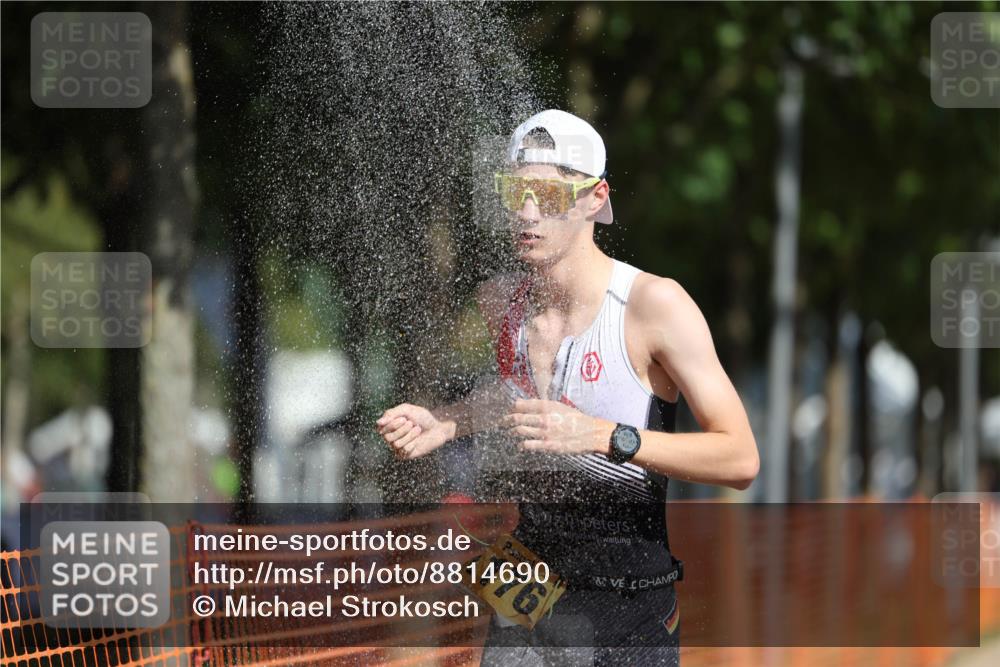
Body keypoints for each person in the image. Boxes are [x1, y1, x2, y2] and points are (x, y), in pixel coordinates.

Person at [376, 109, 759, 665]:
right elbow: (513, 398)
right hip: (525, 580)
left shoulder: (653, 305)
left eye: (550, 196)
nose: (527, 215)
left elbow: (740, 456)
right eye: (515, 193)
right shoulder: (504, 304)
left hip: (626, 600)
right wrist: (448, 422)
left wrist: (603, 436)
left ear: (594, 198)